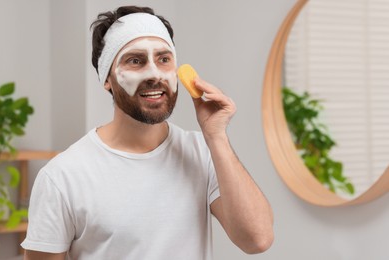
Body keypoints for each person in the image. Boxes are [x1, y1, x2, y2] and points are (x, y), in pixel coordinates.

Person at [21, 5, 274, 260]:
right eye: (135, 61)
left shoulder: (202, 152)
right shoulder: (62, 177)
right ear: (106, 78)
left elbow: (257, 240)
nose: (154, 74)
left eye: (164, 59)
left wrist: (216, 137)